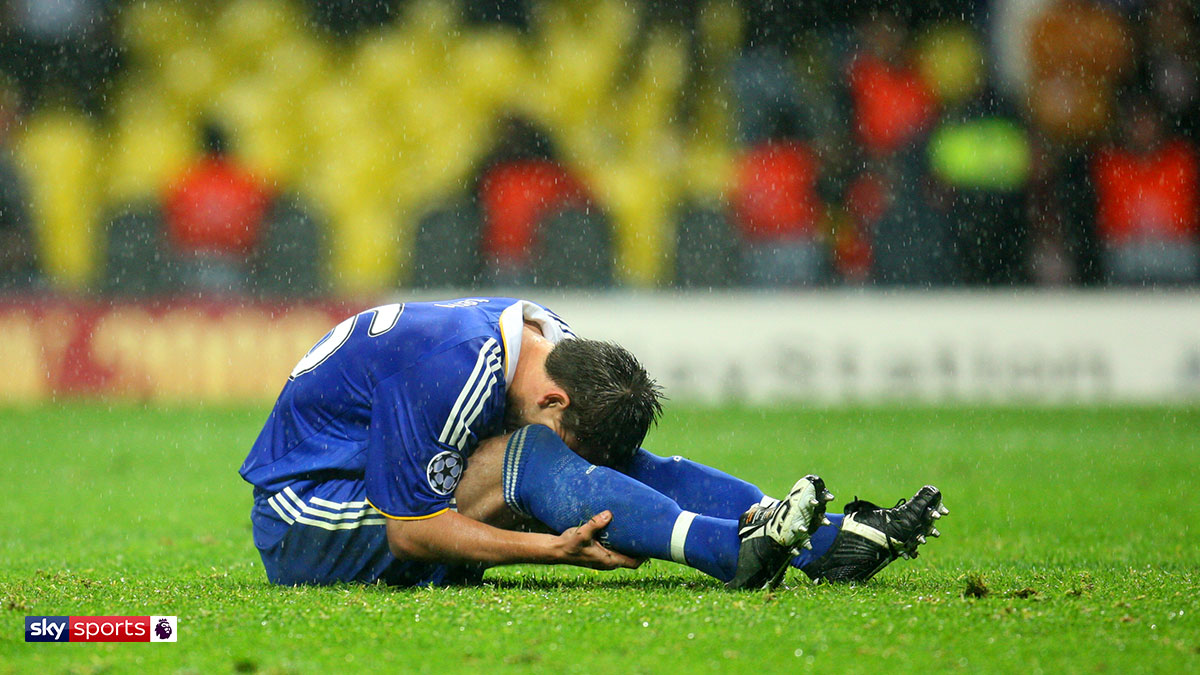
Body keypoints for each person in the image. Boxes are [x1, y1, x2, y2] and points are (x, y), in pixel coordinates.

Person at [239, 298, 947, 589]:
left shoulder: (550, 345)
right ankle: (733, 552)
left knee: (607, 462)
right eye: (564, 426)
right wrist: (548, 548)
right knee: (532, 461)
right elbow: (410, 529)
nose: (579, 461)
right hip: (306, 517)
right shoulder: (452, 368)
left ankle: (823, 541)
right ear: (555, 398)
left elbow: (591, 456)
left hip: (387, 489)